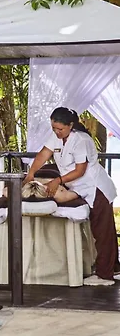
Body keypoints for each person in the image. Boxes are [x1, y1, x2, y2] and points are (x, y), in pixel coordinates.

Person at [25, 107, 119, 286]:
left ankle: (105, 275)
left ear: (70, 125)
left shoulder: (81, 140)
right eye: (54, 128)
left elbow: (80, 170)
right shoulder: (57, 137)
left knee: (102, 232)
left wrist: (57, 181)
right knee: (104, 230)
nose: (56, 132)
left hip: (95, 187)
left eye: (60, 129)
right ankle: (113, 268)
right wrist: (31, 173)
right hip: (80, 187)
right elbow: (43, 154)